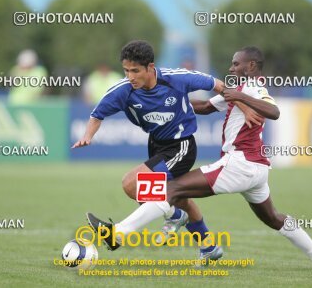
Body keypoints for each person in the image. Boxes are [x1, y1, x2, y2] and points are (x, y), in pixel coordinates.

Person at [88, 46, 312, 270]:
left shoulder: (253, 87)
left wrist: (241, 98)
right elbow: (207, 107)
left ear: (251, 66)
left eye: (236, 63)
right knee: (274, 218)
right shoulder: (238, 89)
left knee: (169, 191)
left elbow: (273, 111)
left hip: (240, 164)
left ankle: (118, 234)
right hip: (256, 171)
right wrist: (175, 103)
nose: (231, 67)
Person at [74, 40, 230, 262]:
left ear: (150, 67)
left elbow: (217, 84)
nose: (130, 76)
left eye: (135, 71)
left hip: (182, 146)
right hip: (157, 145)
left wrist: (243, 103)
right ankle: (208, 246)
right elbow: (96, 115)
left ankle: (145, 225)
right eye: (126, 70)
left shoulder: (175, 78)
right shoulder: (123, 90)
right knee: (180, 198)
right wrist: (88, 136)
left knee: (131, 183)